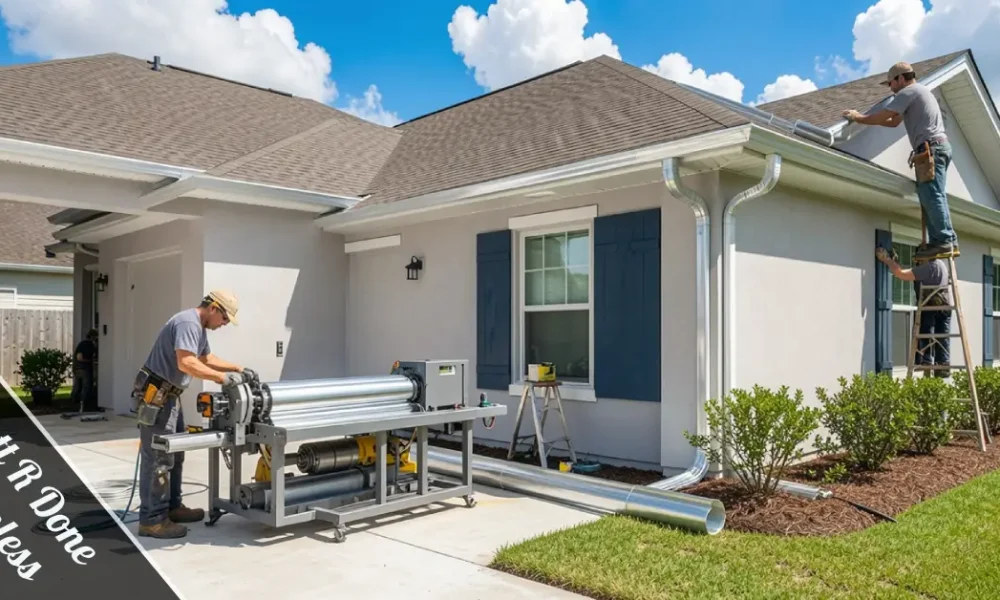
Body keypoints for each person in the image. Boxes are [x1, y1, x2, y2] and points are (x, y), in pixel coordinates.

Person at [134, 289, 249, 539]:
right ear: (213, 308)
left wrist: (238, 368)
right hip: (157, 397)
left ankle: (171, 507)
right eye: (225, 318)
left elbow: (205, 358)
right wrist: (222, 378)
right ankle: (152, 520)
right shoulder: (188, 322)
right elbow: (186, 362)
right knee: (158, 458)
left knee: (175, 454)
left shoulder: (199, 328)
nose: (225, 324)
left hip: (170, 396)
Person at [844, 62, 957, 260]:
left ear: (901, 78)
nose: (891, 88)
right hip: (935, 148)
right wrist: (869, 119)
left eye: (891, 83)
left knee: (932, 194)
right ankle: (939, 241)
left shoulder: (909, 91)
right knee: (930, 195)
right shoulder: (918, 93)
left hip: (931, 149)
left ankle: (945, 241)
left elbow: (884, 115)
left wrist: (858, 117)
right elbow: (894, 121)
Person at [876, 247, 951, 376]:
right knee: (942, 336)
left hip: (931, 304)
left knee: (926, 332)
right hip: (945, 305)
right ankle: (942, 366)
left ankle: (926, 361)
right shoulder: (941, 264)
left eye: (919, 257)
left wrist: (887, 261)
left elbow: (902, 274)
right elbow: (913, 270)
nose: (918, 260)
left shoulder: (928, 267)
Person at [70, 328, 99, 412]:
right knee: (86, 387)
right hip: (84, 369)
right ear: (93, 337)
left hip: (76, 368)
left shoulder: (82, 344)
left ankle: (73, 403)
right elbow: (80, 357)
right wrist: (90, 361)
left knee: (78, 386)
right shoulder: (87, 345)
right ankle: (83, 405)